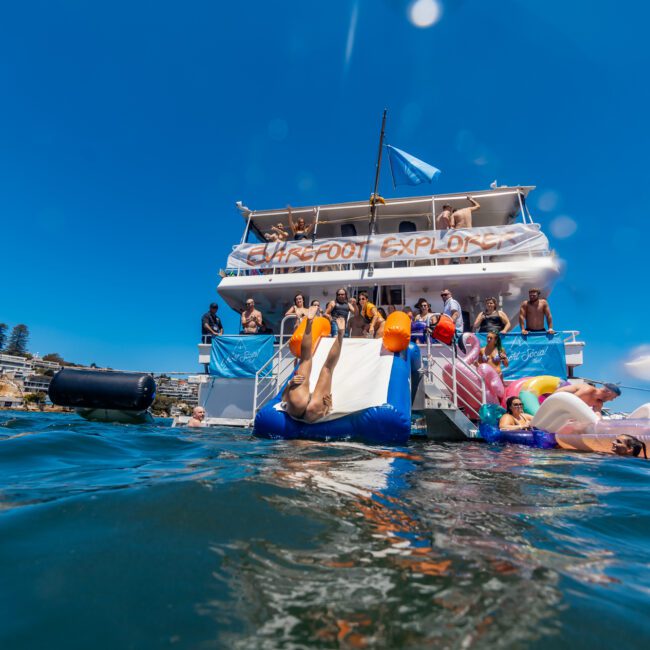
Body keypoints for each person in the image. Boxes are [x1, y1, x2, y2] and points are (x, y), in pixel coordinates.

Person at [282, 307, 346, 422]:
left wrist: (289, 384)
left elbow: (283, 399)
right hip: (314, 412)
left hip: (296, 405)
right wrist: (328, 406)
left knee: (306, 359)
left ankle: (309, 322)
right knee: (327, 369)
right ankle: (340, 335)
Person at [555, 382, 621, 416]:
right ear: (609, 393)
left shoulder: (599, 403)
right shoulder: (588, 390)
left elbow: (597, 415)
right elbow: (569, 403)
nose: (611, 400)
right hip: (554, 397)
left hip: (562, 405)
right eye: (613, 397)